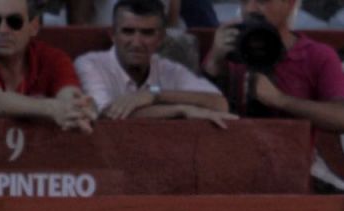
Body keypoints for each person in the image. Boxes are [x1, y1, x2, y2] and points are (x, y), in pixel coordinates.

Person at [202, 0, 344, 134]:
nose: (250, 9)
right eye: (244, 1)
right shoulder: (230, 48)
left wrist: (281, 100)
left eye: (262, 1)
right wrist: (214, 62)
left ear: (290, 4)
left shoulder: (316, 55)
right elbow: (193, 114)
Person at [74, 0, 234, 126]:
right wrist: (181, 110)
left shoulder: (169, 69)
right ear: (113, 35)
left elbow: (219, 103)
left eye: (147, 33)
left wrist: (154, 95)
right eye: (128, 31)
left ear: (161, 38)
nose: (136, 42)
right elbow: (106, 114)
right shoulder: (89, 64)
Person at [0, 0, 94, 132]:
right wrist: (53, 108)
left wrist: (77, 109)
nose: (2, 30)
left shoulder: (54, 58)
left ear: (34, 26)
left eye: (14, 22)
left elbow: (71, 99)